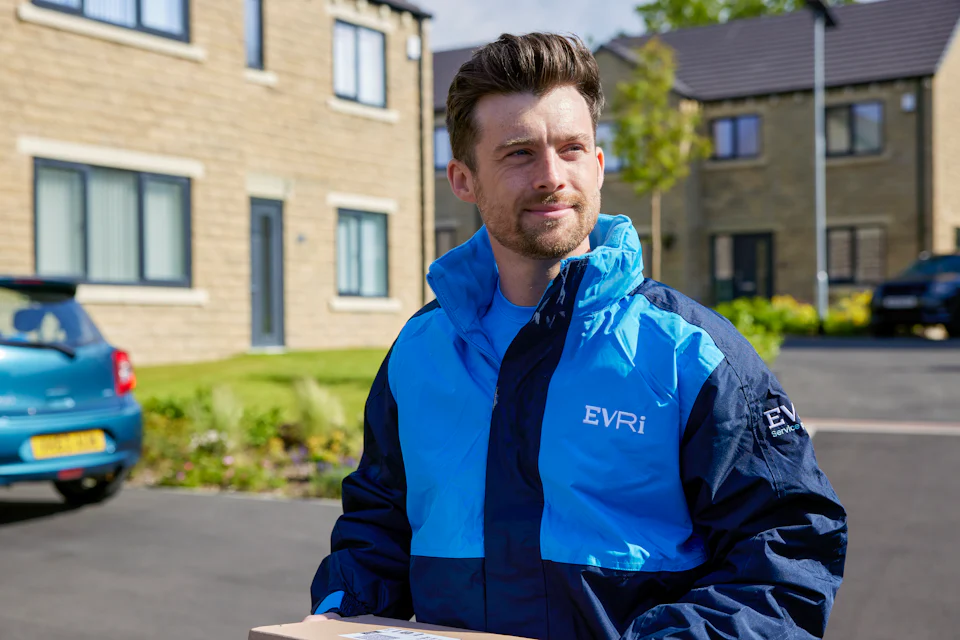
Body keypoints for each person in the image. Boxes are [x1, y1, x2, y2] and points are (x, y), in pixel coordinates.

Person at [306, 32, 847, 639]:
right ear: (463, 178)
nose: (551, 176)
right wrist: (336, 618)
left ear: (597, 165)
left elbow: (786, 551)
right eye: (518, 153)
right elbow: (378, 523)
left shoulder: (687, 353)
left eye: (571, 149)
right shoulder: (420, 350)